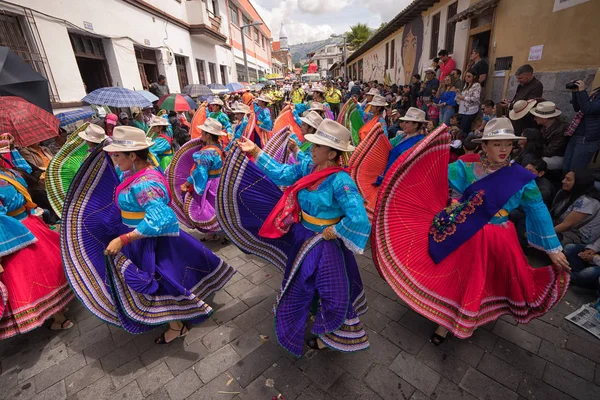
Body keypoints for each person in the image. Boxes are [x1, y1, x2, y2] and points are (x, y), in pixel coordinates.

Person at [372, 117, 570, 346]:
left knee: (478, 280)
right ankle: (446, 322)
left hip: (497, 237)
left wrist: (553, 249)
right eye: (497, 144)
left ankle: (462, 319)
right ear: (484, 146)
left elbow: (537, 210)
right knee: (457, 278)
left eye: (508, 144)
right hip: (462, 232)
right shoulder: (465, 167)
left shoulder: (521, 179)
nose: (504, 149)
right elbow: (431, 174)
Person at [62, 126, 235, 344]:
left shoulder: (145, 183)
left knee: (160, 281)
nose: (114, 159)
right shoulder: (136, 173)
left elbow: (162, 217)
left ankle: (176, 325)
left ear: (132, 155)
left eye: (117, 154)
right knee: (168, 277)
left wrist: (123, 239)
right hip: (141, 236)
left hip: (147, 240)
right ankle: (176, 319)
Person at [228, 119, 370, 356]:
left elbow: (358, 217)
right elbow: (281, 173)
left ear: (332, 153)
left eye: (316, 147)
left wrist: (335, 230)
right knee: (302, 281)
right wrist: (255, 151)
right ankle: (311, 313)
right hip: (303, 237)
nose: (310, 149)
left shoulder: (341, 181)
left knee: (330, 290)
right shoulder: (309, 169)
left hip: (325, 244)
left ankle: (334, 332)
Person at [0, 166, 74, 338]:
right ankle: (60, 308)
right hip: (30, 222)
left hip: (16, 232)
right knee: (47, 267)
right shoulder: (9, 173)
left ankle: (59, 318)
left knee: (32, 277)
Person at [178, 118, 226, 239]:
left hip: (209, 183)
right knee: (218, 207)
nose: (201, 135)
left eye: (203, 132)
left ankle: (217, 232)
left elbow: (200, 173)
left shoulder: (206, 153)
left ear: (208, 135)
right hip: (219, 181)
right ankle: (222, 233)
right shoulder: (218, 147)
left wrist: (187, 184)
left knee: (207, 208)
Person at [375, 107, 427, 185]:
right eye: (403, 122)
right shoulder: (401, 136)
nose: (403, 124)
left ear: (415, 125)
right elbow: (388, 144)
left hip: (403, 180)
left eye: (407, 122)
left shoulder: (421, 142)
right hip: (391, 174)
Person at [551, 169, 600, 246]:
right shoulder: (566, 193)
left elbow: (566, 224)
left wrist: (545, 234)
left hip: (576, 235)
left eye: (568, 180)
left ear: (579, 183)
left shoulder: (587, 201)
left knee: (542, 238)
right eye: (565, 178)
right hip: (561, 227)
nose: (563, 181)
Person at [563, 76, 600, 174]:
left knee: (574, 172)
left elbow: (588, 109)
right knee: (565, 168)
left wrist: (582, 91)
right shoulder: (597, 92)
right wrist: (575, 92)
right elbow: (578, 108)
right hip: (576, 134)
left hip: (587, 139)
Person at [502, 65, 544, 135]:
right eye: (517, 78)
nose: (518, 81)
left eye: (521, 78)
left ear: (529, 74)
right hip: (515, 118)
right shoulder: (521, 85)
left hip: (525, 120)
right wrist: (511, 102)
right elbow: (518, 98)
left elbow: (530, 104)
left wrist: (510, 105)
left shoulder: (537, 85)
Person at [529, 101, 568, 171]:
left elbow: (550, 152)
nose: (534, 118)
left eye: (537, 117)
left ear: (545, 119)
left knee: (533, 163)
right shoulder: (545, 126)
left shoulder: (560, 130)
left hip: (557, 157)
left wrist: (532, 146)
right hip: (547, 153)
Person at [456, 70, 482, 135]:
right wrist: (459, 94)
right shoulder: (466, 85)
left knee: (465, 129)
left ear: (474, 77)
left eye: (469, 76)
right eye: (466, 76)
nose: (466, 78)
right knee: (462, 128)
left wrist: (463, 98)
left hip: (470, 110)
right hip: (463, 110)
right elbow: (463, 97)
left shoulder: (476, 85)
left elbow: (476, 98)